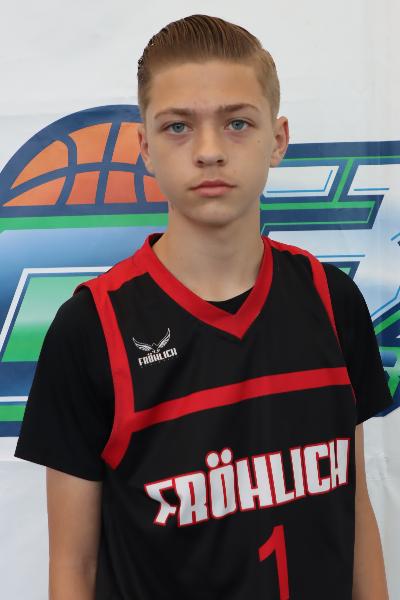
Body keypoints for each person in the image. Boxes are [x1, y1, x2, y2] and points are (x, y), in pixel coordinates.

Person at [15, 14, 392, 600]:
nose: (210, 151)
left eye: (237, 123)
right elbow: (74, 567)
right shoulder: (90, 328)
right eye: (178, 127)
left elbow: (354, 508)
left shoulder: (333, 300)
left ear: (278, 140)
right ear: (144, 148)